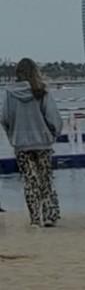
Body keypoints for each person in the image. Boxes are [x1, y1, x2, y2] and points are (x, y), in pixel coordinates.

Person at [0, 57, 63, 227]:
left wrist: (12, 135)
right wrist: (54, 133)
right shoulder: (41, 91)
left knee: (30, 181)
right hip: (43, 143)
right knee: (45, 179)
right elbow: (53, 117)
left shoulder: (10, 93)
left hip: (21, 145)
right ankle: (49, 215)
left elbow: (4, 118)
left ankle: (35, 218)